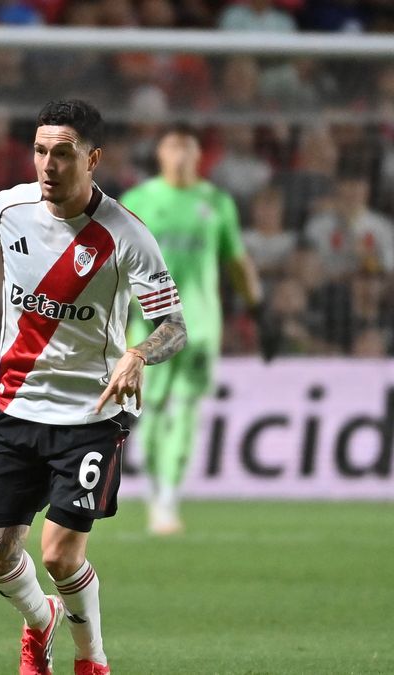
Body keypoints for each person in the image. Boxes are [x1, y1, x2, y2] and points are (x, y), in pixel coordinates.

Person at [0, 100, 187, 675]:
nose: (48, 165)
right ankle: (40, 621)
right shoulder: (10, 208)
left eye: (63, 153)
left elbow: (174, 327)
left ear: (93, 159)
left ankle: (92, 659)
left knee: (58, 555)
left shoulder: (126, 235)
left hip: (92, 413)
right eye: (39, 151)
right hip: (18, 406)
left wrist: (137, 354)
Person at [119, 124, 275, 536]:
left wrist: (259, 310)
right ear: (160, 154)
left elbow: (236, 261)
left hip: (201, 325)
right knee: (150, 409)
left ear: (199, 156)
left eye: (187, 148)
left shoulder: (216, 202)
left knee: (187, 409)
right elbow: (115, 262)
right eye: (173, 147)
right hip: (150, 326)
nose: (180, 156)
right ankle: (155, 493)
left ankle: (169, 498)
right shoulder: (138, 201)